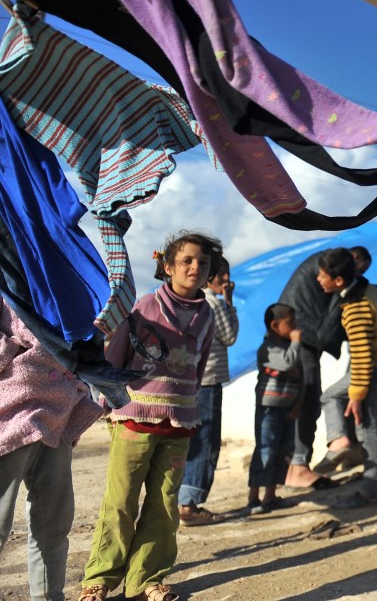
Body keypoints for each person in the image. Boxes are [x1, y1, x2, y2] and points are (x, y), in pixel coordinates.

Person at [78, 231, 222, 601]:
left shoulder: (207, 315)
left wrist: (190, 404)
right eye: (187, 260)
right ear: (168, 266)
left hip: (180, 421)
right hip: (135, 416)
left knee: (165, 503)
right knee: (121, 500)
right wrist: (111, 404)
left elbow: (200, 365)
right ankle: (100, 578)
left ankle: (147, 580)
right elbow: (115, 358)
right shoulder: (145, 307)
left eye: (203, 262)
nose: (195, 267)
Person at [0, 298, 103, 601]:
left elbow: (84, 345)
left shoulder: (60, 289)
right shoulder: (7, 287)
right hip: (11, 416)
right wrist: (20, 347)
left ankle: (48, 596)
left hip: (59, 414)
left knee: (54, 522)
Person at [312, 248, 377, 508]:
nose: (319, 279)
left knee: (367, 427)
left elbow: (362, 356)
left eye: (322, 276)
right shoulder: (368, 290)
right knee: (335, 398)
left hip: (374, 369)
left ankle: (372, 489)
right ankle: (342, 442)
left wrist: (356, 394)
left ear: (338, 281)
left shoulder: (355, 308)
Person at [178, 257, 239, 526]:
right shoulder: (213, 304)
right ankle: (190, 504)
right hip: (209, 379)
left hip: (191, 380)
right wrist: (229, 301)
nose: (226, 282)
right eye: (222, 277)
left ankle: (182, 498)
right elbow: (230, 336)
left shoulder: (193, 303)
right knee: (206, 440)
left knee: (192, 439)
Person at [277, 251, 344, 490]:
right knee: (308, 401)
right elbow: (338, 307)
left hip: (298, 336)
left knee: (302, 401)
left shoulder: (312, 268)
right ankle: (298, 467)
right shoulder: (325, 271)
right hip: (303, 337)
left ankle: (292, 466)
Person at [248, 303, 302, 515]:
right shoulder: (269, 349)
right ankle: (253, 498)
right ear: (275, 325)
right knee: (265, 450)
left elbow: (301, 378)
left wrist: (298, 405)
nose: (295, 327)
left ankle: (270, 496)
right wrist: (297, 343)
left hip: (288, 409)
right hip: (269, 409)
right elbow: (288, 364)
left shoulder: (290, 347)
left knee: (283, 451)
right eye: (291, 323)